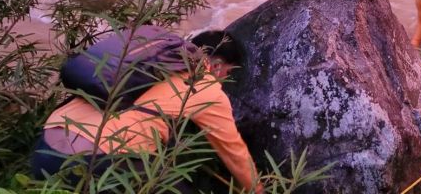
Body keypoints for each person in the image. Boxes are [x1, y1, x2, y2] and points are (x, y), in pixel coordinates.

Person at [32, 29, 262, 194]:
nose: (224, 79)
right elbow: (233, 151)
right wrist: (257, 190)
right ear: (218, 64)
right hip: (97, 162)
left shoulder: (151, 60)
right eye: (228, 73)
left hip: (45, 149)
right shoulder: (205, 88)